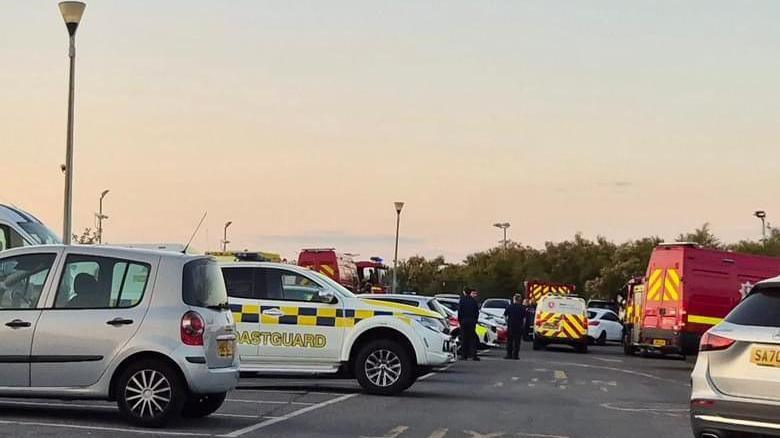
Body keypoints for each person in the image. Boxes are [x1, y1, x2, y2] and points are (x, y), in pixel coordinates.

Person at [458, 287, 481, 361]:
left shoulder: (462, 300)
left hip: (464, 321)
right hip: (472, 321)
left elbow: (460, 311)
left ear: (464, 292)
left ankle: (464, 355)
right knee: (472, 338)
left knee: (464, 338)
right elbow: (476, 312)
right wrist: (475, 320)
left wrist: (460, 320)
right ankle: (474, 355)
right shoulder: (474, 301)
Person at [503, 294, 525, 359]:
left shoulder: (509, 306)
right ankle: (515, 355)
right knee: (517, 342)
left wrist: (507, 322)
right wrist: (522, 325)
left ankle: (509, 355)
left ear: (514, 299)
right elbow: (524, 319)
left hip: (511, 326)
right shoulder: (522, 308)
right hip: (519, 326)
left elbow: (505, 315)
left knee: (510, 341)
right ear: (519, 300)